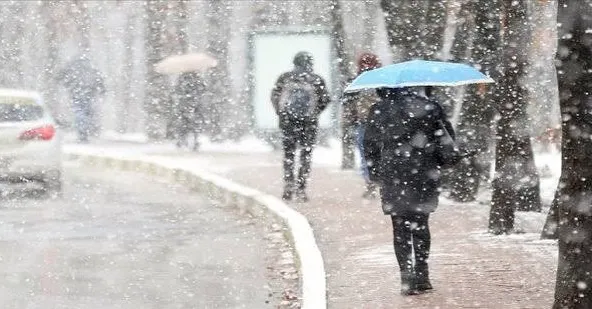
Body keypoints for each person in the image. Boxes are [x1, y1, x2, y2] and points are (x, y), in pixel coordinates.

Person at [363, 87, 460, 295]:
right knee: (421, 223)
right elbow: (446, 138)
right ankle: (422, 275)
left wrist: (374, 171)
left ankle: (406, 277)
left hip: (392, 172)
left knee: (399, 226)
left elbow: (369, 143)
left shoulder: (379, 109)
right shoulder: (430, 107)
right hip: (424, 171)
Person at [271, 51, 330, 202]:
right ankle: (301, 188)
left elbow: (275, 96)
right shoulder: (316, 79)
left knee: (289, 154)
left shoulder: (285, 78)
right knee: (306, 155)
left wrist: (282, 113)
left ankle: (288, 185)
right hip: (308, 123)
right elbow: (325, 99)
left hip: (288, 122)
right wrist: (315, 113)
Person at [342, 52, 382, 198]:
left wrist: (350, 120)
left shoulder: (356, 81)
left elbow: (346, 102)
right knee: (383, 153)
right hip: (382, 123)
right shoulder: (382, 80)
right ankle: (382, 181)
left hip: (363, 123)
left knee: (366, 155)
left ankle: (370, 182)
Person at [57, 56, 105, 142]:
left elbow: (62, 76)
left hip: (76, 93)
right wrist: (101, 89)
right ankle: (87, 130)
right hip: (89, 93)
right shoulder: (90, 66)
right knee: (87, 112)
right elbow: (98, 78)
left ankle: (82, 132)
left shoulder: (73, 66)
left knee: (79, 113)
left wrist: (68, 85)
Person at [172, 71, 206, 150]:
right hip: (194, 105)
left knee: (184, 124)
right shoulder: (197, 78)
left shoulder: (182, 78)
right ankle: (194, 141)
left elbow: (177, 90)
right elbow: (203, 89)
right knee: (194, 124)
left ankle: (183, 141)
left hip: (185, 105)